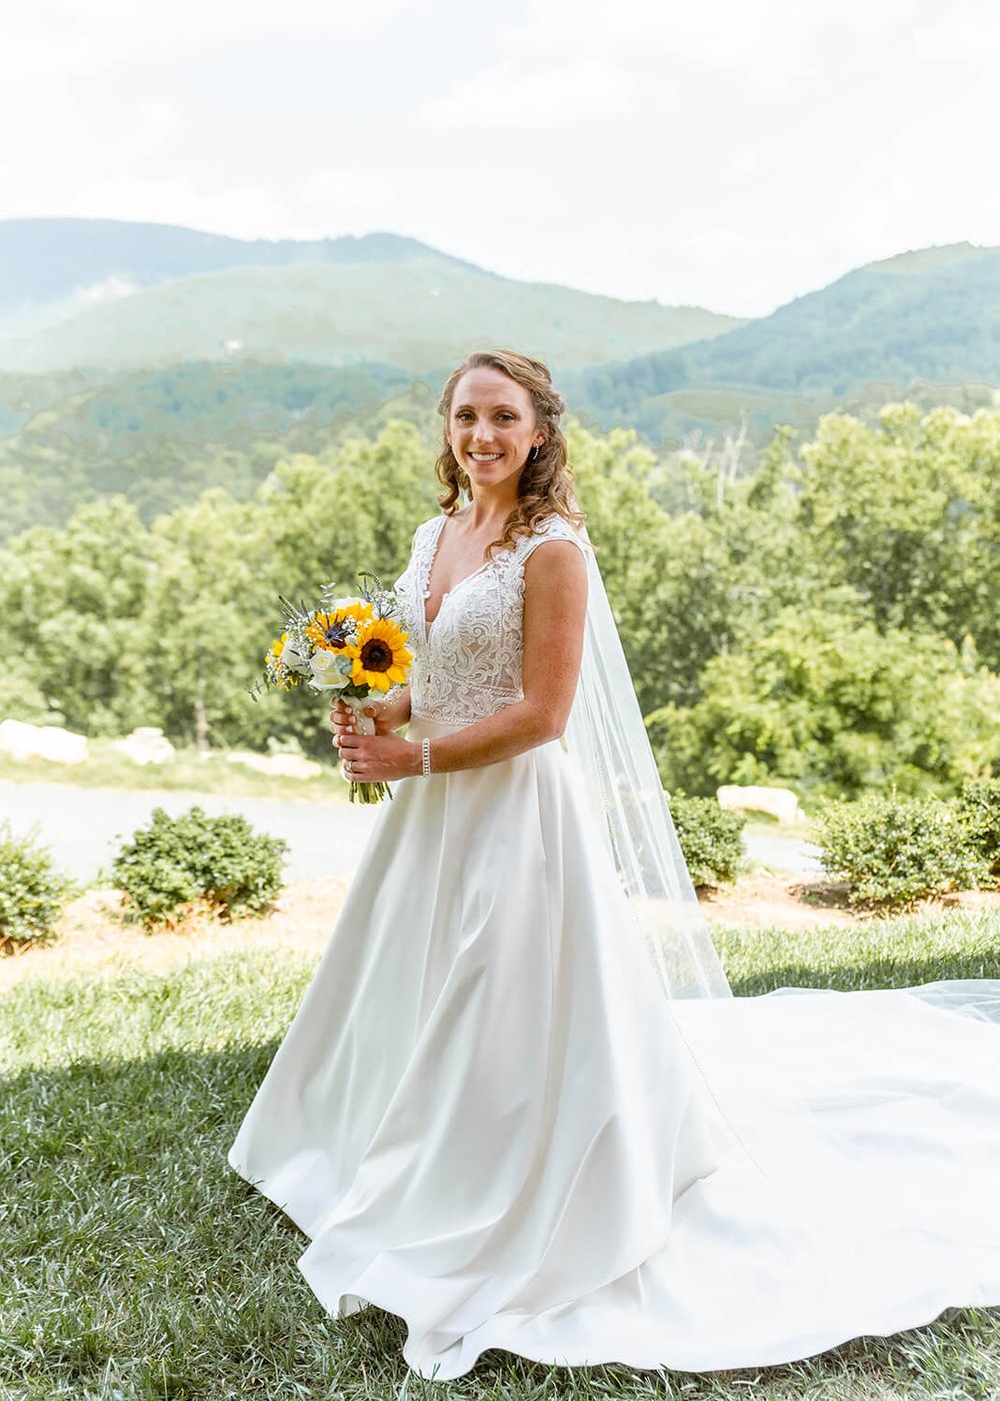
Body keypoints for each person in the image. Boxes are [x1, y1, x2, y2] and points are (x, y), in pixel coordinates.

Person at [228, 348, 1000, 1384]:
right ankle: (391, 1150)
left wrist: (408, 756)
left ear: (538, 431)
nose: (481, 435)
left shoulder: (554, 551)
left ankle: (497, 1185)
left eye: (503, 417)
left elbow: (541, 714)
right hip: (430, 819)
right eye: (464, 416)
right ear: (446, 428)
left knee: (498, 1002)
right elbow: (426, 678)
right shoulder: (437, 532)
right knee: (409, 988)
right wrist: (373, 709)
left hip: (512, 815)